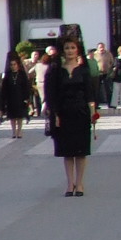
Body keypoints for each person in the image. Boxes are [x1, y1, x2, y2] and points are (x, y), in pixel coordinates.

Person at [46, 31, 99, 196]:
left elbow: (90, 93)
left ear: (77, 50)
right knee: (67, 151)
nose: (69, 51)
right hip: (64, 113)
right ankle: (70, 184)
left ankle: (80, 183)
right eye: (67, 48)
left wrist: (93, 113)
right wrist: (54, 114)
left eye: (72, 48)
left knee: (81, 151)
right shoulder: (57, 71)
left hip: (81, 112)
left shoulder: (83, 70)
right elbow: (53, 94)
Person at [1, 49, 33, 138]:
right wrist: (4, 100)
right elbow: (4, 88)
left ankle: (19, 131)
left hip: (20, 97)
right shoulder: (7, 75)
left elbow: (26, 87)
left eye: (14, 64)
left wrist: (26, 98)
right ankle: (13, 131)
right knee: (12, 116)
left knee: (19, 116)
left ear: (18, 65)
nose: (13, 66)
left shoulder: (22, 74)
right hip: (11, 97)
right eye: (11, 65)